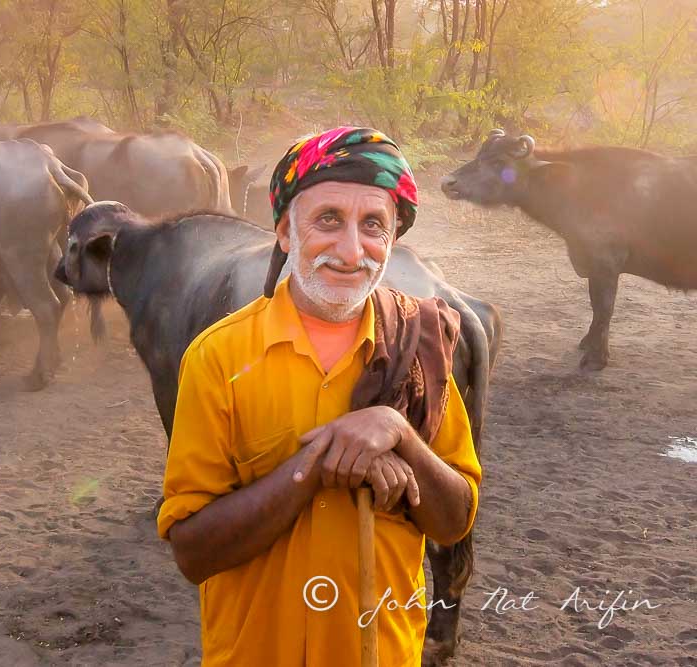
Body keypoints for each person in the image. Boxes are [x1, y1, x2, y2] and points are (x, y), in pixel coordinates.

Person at [156, 127, 482, 666]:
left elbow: (453, 521)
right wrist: (314, 465)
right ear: (285, 231)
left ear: (394, 238)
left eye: (373, 224)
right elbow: (193, 553)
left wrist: (400, 433)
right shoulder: (217, 357)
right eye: (328, 219)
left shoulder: (421, 346)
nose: (352, 250)